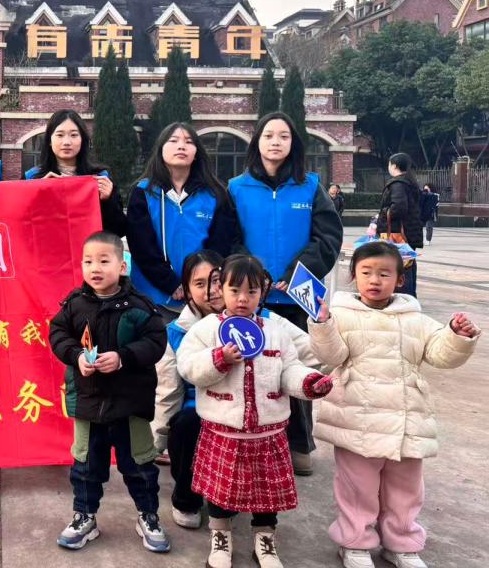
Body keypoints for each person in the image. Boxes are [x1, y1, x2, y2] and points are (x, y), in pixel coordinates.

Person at [309, 241, 480, 568]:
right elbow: (331, 356)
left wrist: (456, 336)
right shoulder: (340, 315)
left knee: (405, 487)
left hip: (406, 419)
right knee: (357, 487)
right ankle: (355, 541)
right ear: (353, 276)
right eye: (366, 272)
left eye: (384, 274)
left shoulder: (415, 318)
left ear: (400, 280)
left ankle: (401, 542)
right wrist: (322, 326)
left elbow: (439, 355)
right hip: (357, 418)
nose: (375, 280)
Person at [177, 254, 333, 568]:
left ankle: (265, 538)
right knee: (221, 491)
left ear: (263, 292)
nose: (242, 299)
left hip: (269, 431)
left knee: (267, 493)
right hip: (223, 429)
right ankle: (220, 536)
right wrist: (218, 359)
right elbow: (188, 366)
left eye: (251, 291)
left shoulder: (276, 331)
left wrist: (308, 383)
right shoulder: (206, 330)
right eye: (235, 290)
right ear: (221, 289)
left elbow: (290, 369)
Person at [228, 111, 342, 476]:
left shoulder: (310, 186)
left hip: (296, 298)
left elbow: (328, 237)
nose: (275, 142)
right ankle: (253, 445)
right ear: (257, 142)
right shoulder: (236, 188)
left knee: (297, 369)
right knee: (252, 372)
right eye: (268, 135)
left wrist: (295, 273)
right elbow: (228, 237)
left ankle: (299, 444)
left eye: (283, 136)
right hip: (252, 298)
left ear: (294, 144)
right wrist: (253, 274)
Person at [48, 231, 170, 554]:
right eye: (88, 261)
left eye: (104, 261)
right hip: (88, 403)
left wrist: (123, 357)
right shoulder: (74, 303)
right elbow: (57, 333)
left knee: (140, 465)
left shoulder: (140, 306)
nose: (95, 268)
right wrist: (76, 356)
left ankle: (148, 516)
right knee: (85, 466)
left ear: (122, 266)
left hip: (130, 404)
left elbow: (156, 342)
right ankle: (84, 517)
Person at [127, 122, 239, 314]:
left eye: (188, 141)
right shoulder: (143, 192)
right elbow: (141, 246)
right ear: (161, 149)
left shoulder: (215, 194)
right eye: (173, 141)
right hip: (152, 299)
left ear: (196, 152)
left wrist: (201, 284)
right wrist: (171, 283)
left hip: (204, 299)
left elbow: (221, 245)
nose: (181, 146)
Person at [152, 250, 224, 530]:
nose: (211, 291)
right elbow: (167, 393)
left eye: (216, 280)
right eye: (199, 283)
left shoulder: (253, 321)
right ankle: (186, 498)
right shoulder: (175, 332)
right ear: (187, 290)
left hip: (240, 406)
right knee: (185, 423)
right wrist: (154, 444)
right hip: (197, 408)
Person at [24, 109, 125, 236]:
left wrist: (108, 201)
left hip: (88, 248)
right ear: (49, 140)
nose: (67, 142)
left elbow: (119, 231)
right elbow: (19, 225)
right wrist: (37, 195)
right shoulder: (32, 178)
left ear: (82, 139)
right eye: (60, 135)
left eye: (74, 135)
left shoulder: (100, 178)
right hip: (47, 246)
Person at [375, 153, 423, 297]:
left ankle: (403, 298)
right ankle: (410, 297)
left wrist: (383, 213)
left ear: (394, 165)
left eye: (389, 164)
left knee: (399, 265)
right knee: (408, 263)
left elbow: (399, 207)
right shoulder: (410, 182)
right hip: (409, 232)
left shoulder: (398, 184)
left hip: (397, 234)